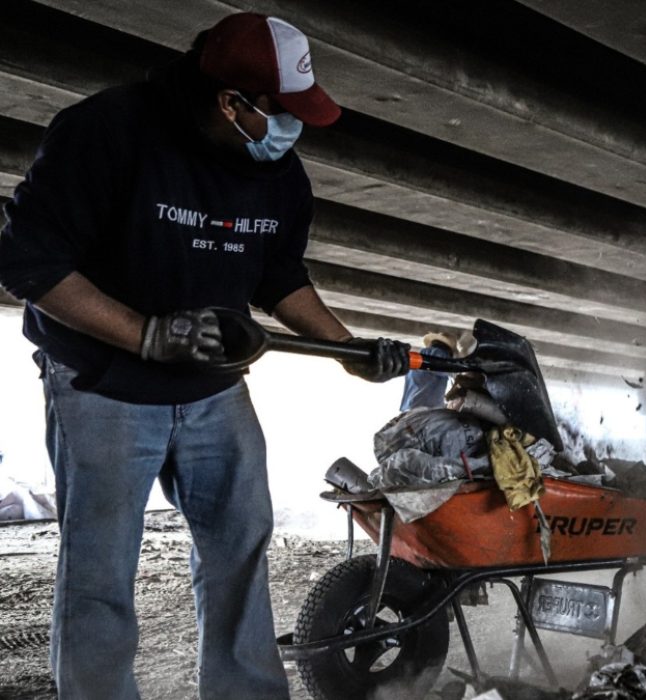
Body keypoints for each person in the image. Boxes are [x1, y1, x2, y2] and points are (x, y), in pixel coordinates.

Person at [0, 13, 411, 699]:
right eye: (284, 114)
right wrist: (147, 336)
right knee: (100, 576)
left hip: (215, 389)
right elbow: (28, 266)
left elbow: (279, 277)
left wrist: (347, 349)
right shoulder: (106, 132)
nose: (294, 132)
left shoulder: (279, 174)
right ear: (231, 102)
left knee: (239, 556)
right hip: (103, 387)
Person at [399, 331, 459, 411]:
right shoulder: (438, 353)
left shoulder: (420, 355)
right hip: (423, 406)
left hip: (411, 405)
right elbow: (448, 369)